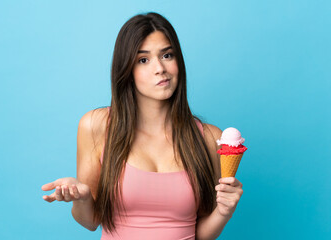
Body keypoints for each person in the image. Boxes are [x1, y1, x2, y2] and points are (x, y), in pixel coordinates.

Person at [41, 12, 243, 240]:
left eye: (167, 55)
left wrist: (224, 212)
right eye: (143, 60)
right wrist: (83, 198)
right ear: (127, 70)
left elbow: (202, 234)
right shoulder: (96, 126)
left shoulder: (207, 138)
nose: (160, 68)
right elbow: (90, 221)